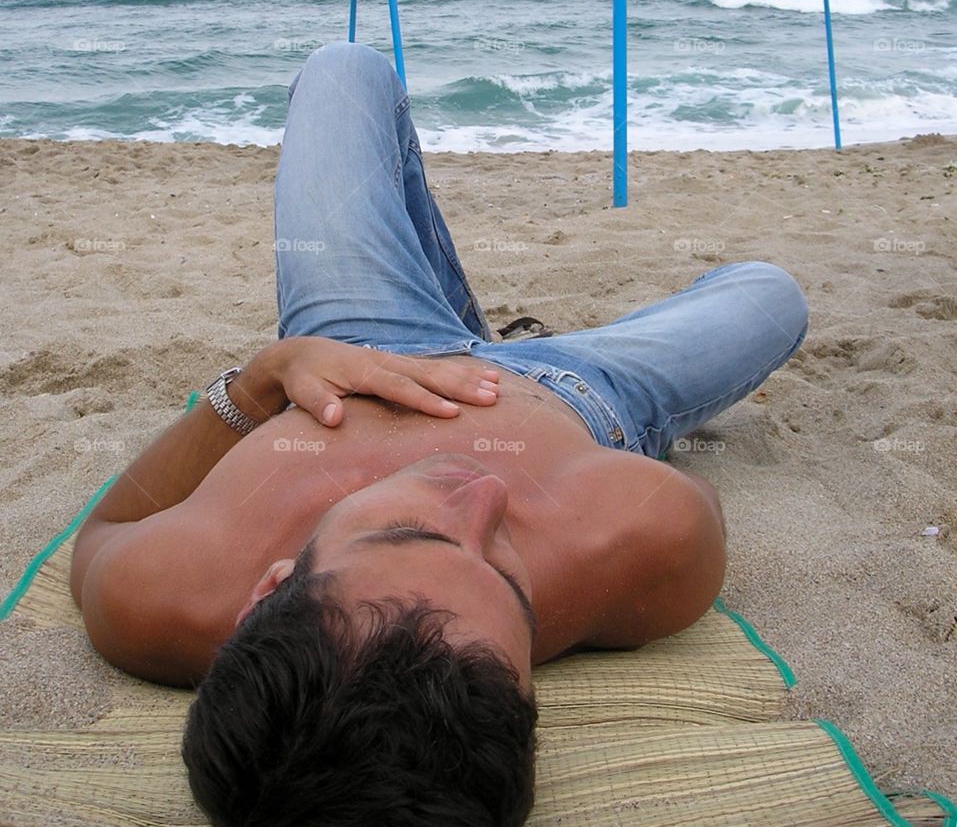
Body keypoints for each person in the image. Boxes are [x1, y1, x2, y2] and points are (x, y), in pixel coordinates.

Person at [70, 42, 808, 827]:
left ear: (268, 590)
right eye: (511, 583)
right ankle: (502, 347)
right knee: (770, 293)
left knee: (344, 70)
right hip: (580, 390)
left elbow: (107, 527)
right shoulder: (645, 546)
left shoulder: (161, 599)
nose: (484, 495)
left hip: (359, 340)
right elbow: (676, 498)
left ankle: (458, 333)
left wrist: (263, 378)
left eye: (406, 533)